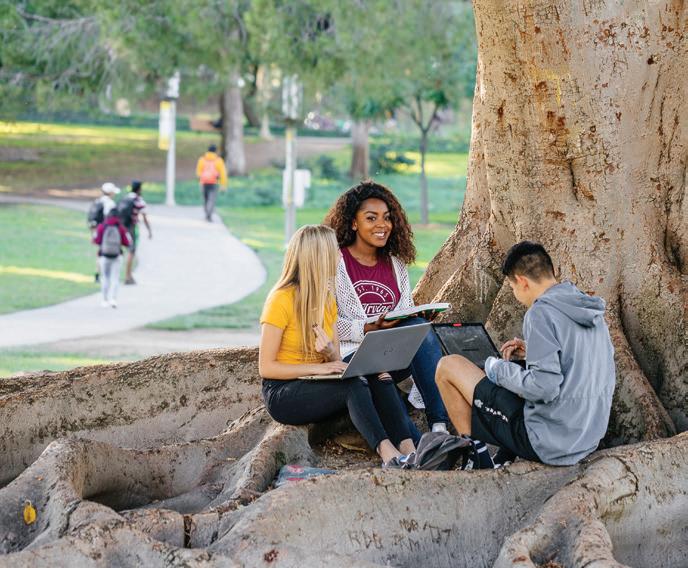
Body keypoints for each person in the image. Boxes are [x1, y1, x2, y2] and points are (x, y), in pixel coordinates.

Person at [435, 241, 615, 468]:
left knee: (447, 366)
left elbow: (544, 388)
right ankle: (502, 456)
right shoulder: (588, 311)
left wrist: (496, 368)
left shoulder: (540, 313)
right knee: (517, 375)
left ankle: (477, 458)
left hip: (549, 444)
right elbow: (582, 362)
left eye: (512, 288)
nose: (516, 295)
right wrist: (533, 351)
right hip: (586, 438)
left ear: (522, 281)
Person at [259, 224, 417, 467]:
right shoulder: (281, 299)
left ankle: (410, 449)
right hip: (283, 392)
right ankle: (389, 455)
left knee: (375, 370)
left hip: (317, 382)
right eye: (334, 251)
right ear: (319, 257)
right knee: (352, 385)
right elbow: (267, 368)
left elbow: (334, 361)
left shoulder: (326, 298)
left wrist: (330, 353)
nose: (339, 256)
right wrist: (318, 368)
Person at [325, 180, 450, 435]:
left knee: (422, 329)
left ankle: (439, 426)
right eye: (371, 218)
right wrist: (368, 328)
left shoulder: (395, 264)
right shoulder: (334, 262)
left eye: (387, 218)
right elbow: (326, 324)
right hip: (352, 354)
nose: (382, 225)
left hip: (392, 352)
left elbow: (404, 312)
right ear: (353, 222)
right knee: (379, 379)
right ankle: (413, 444)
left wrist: (417, 318)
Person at [93, 209, 131, 308]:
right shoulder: (120, 228)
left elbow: (96, 240)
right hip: (117, 256)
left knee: (105, 278)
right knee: (115, 278)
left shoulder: (102, 226)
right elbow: (127, 242)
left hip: (104, 256)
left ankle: (104, 300)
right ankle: (113, 300)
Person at [119, 180, 152, 285]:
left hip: (120, 227)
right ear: (139, 189)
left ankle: (120, 275)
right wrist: (149, 230)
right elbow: (144, 217)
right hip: (131, 228)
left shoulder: (125, 198)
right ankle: (127, 276)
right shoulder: (138, 200)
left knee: (120, 251)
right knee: (131, 251)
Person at [89, 182, 120, 283]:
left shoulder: (98, 201)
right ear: (110, 193)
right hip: (105, 232)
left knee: (100, 252)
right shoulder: (110, 204)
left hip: (96, 231)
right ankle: (103, 275)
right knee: (105, 253)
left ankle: (98, 274)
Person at [195, 144, 227, 222]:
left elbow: (198, 171)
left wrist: (199, 178)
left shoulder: (202, 159)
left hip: (203, 182)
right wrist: (223, 185)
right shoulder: (218, 160)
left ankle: (206, 213)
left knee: (205, 199)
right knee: (211, 199)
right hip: (214, 182)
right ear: (215, 151)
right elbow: (223, 174)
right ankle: (209, 215)